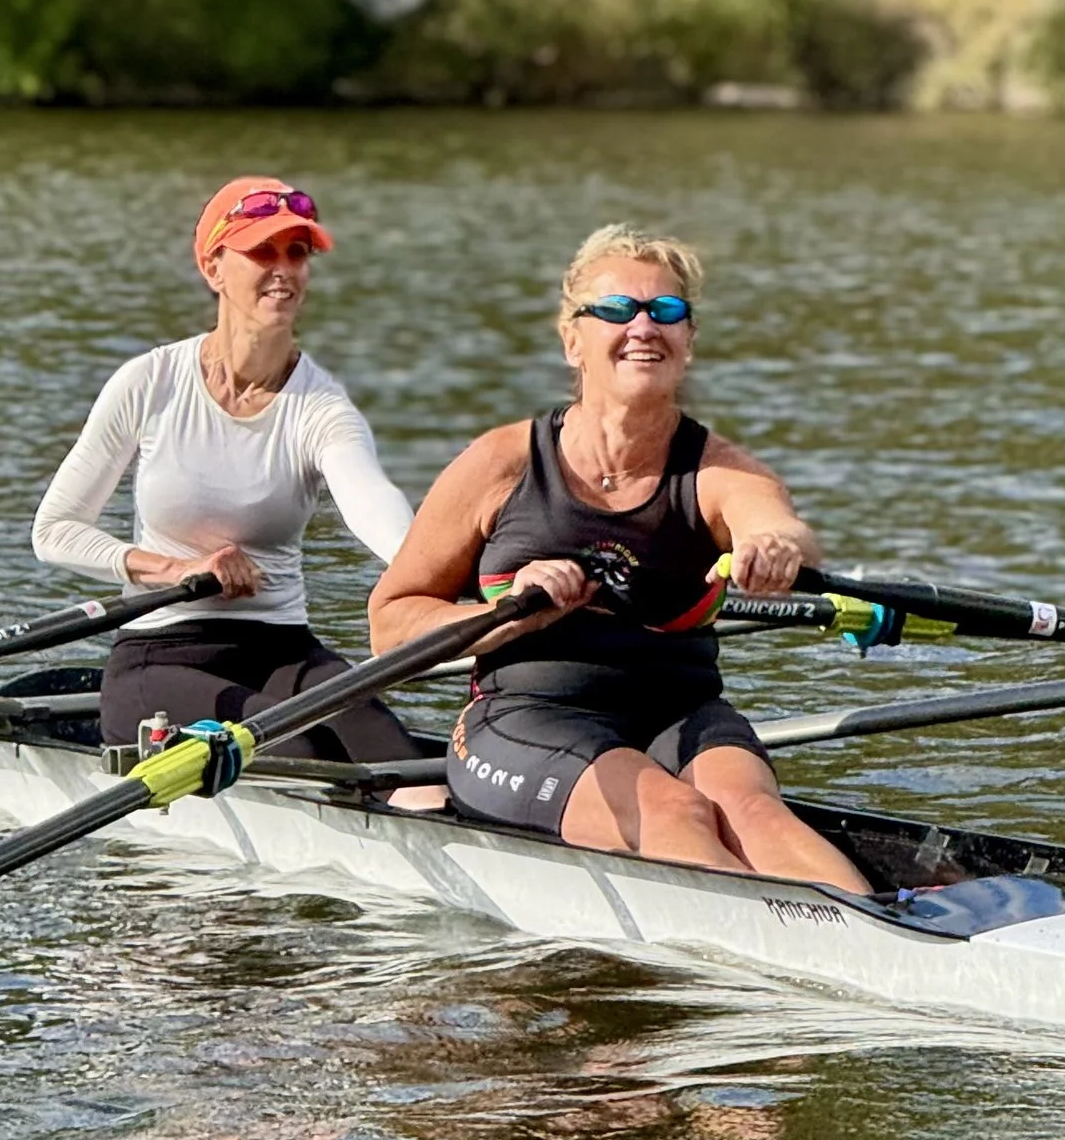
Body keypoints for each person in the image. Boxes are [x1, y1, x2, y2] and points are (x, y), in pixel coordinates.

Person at [366, 222, 867, 886]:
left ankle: (892, 951)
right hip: (524, 718)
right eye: (615, 309)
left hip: (680, 712)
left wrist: (772, 546)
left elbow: (778, 524)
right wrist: (511, 615)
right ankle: (785, 954)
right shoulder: (499, 462)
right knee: (676, 812)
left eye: (665, 311)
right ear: (572, 337)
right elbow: (388, 624)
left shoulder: (717, 469)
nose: (643, 326)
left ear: (687, 341)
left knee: (757, 815)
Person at [32, 174, 442, 806]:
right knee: (306, 761)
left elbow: (373, 508)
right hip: (161, 652)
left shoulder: (321, 407)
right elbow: (54, 530)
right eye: (263, 252)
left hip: (284, 649)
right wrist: (177, 569)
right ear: (213, 268)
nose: (284, 270)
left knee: (402, 766)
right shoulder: (150, 382)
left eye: (297, 253)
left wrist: (442, 577)